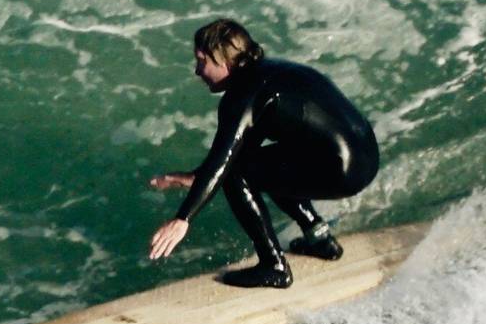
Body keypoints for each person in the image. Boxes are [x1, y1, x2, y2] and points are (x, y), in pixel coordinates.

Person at [147, 19, 379, 288]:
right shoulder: (273, 71)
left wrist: (182, 219)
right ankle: (320, 240)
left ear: (224, 60)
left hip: (340, 170)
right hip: (365, 159)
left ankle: (274, 266)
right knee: (265, 165)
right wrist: (195, 178)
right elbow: (238, 152)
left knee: (238, 175)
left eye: (202, 61)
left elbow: (228, 164)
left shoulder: (241, 97)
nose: (197, 70)